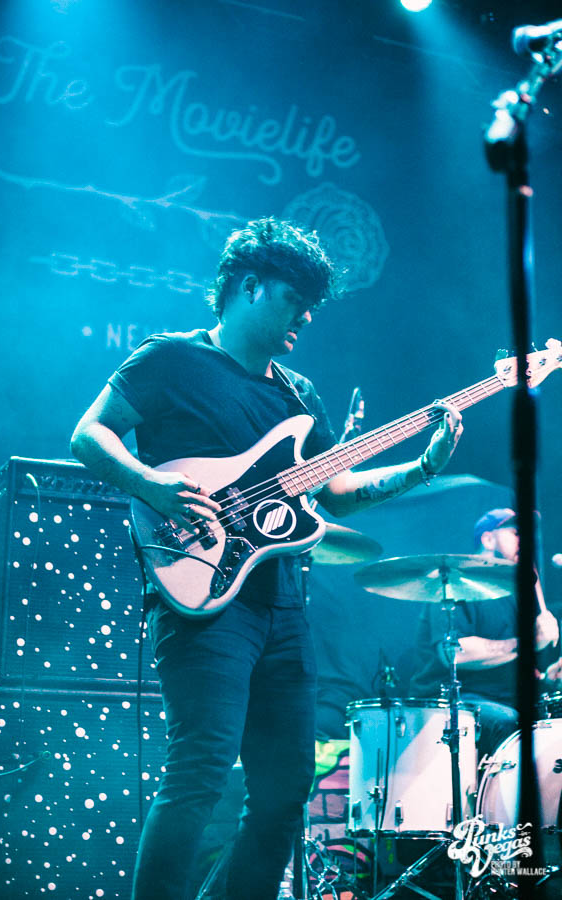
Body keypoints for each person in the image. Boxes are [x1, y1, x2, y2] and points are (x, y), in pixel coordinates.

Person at [70, 217, 463, 900]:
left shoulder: (299, 397)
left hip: (279, 605)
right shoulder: (170, 360)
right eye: (294, 299)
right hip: (201, 595)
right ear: (249, 286)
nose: (306, 316)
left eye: (313, 305)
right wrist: (150, 483)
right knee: (199, 771)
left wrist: (421, 467)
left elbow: (337, 493)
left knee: (284, 790)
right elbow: (88, 433)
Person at [410, 507, 561, 760]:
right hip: (453, 701)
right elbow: (456, 654)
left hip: (507, 699)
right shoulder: (454, 584)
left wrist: (549, 676)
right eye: (516, 533)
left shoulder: (519, 595)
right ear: (488, 539)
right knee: (508, 721)